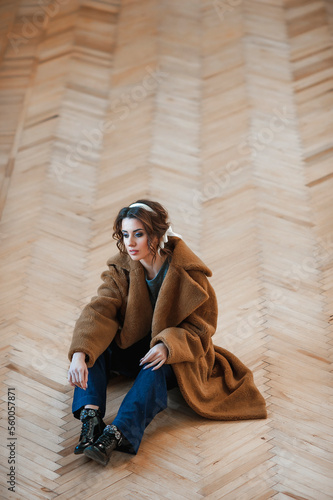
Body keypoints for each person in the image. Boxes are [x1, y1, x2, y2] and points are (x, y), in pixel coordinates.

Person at [67, 200, 267, 466]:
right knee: (95, 346)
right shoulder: (122, 267)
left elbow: (201, 329)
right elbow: (100, 310)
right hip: (134, 346)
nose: (130, 243)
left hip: (178, 354)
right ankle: (91, 421)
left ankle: (118, 434)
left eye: (138, 234)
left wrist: (167, 345)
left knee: (156, 365)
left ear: (157, 234)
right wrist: (80, 353)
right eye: (125, 235)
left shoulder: (189, 274)